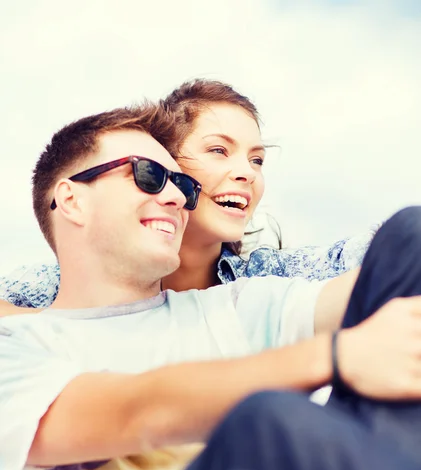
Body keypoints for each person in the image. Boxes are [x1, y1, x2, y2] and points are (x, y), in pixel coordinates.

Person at [0, 103, 421, 470]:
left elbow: (370, 284)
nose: (177, 197)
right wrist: (333, 357)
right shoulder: (20, 346)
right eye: (150, 175)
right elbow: (135, 411)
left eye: (185, 185)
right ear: (70, 199)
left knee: (407, 240)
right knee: (263, 430)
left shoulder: (236, 306)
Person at [0, 79, 375, 314]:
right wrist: (48, 329)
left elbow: (376, 253)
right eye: (218, 150)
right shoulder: (58, 288)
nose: (248, 172)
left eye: (257, 159)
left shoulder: (267, 284)